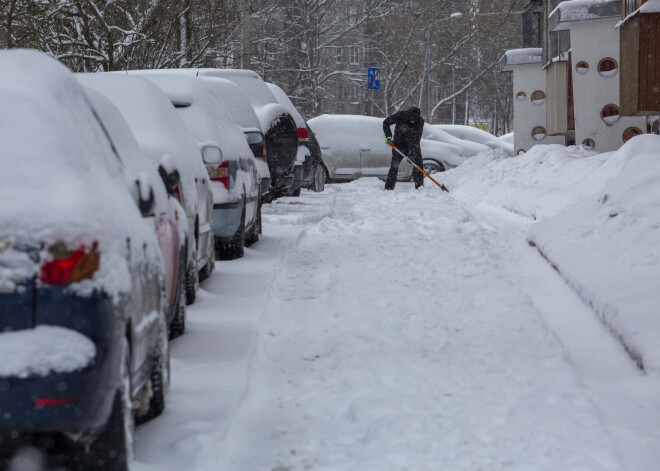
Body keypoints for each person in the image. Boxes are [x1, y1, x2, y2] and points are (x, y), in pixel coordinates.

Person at [382, 106, 425, 190]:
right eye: (411, 119)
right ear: (408, 115)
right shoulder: (400, 115)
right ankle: (389, 188)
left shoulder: (420, 122)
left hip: (413, 146)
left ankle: (419, 188)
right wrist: (388, 136)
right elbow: (386, 122)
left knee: (418, 166)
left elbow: (416, 139)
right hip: (398, 145)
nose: (413, 121)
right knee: (394, 167)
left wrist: (411, 154)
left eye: (415, 120)